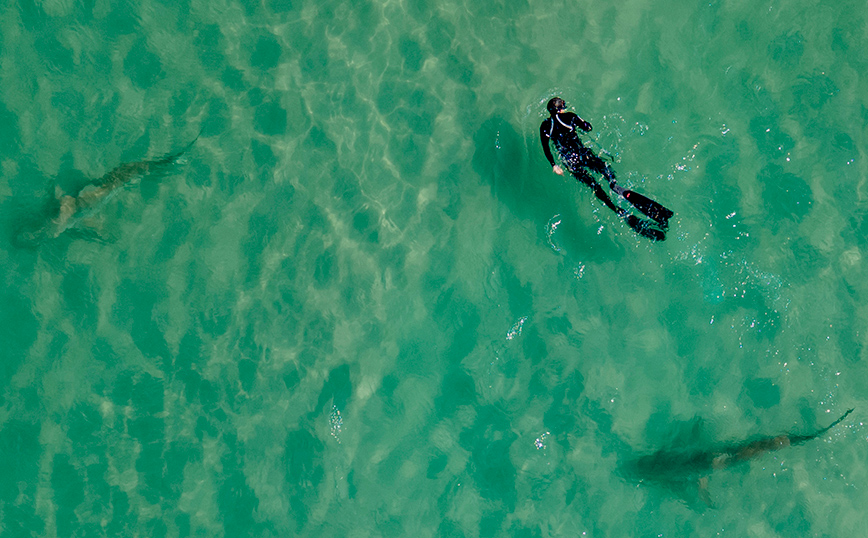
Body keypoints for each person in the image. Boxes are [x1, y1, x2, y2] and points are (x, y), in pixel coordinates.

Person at [540, 97, 671, 241]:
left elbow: (546, 148)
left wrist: (554, 165)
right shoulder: (570, 116)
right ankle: (615, 186)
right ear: (561, 108)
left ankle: (616, 209)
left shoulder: (545, 126)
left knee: (594, 186)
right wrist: (583, 125)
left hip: (571, 162)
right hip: (584, 155)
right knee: (607, 173)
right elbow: (587, 127)